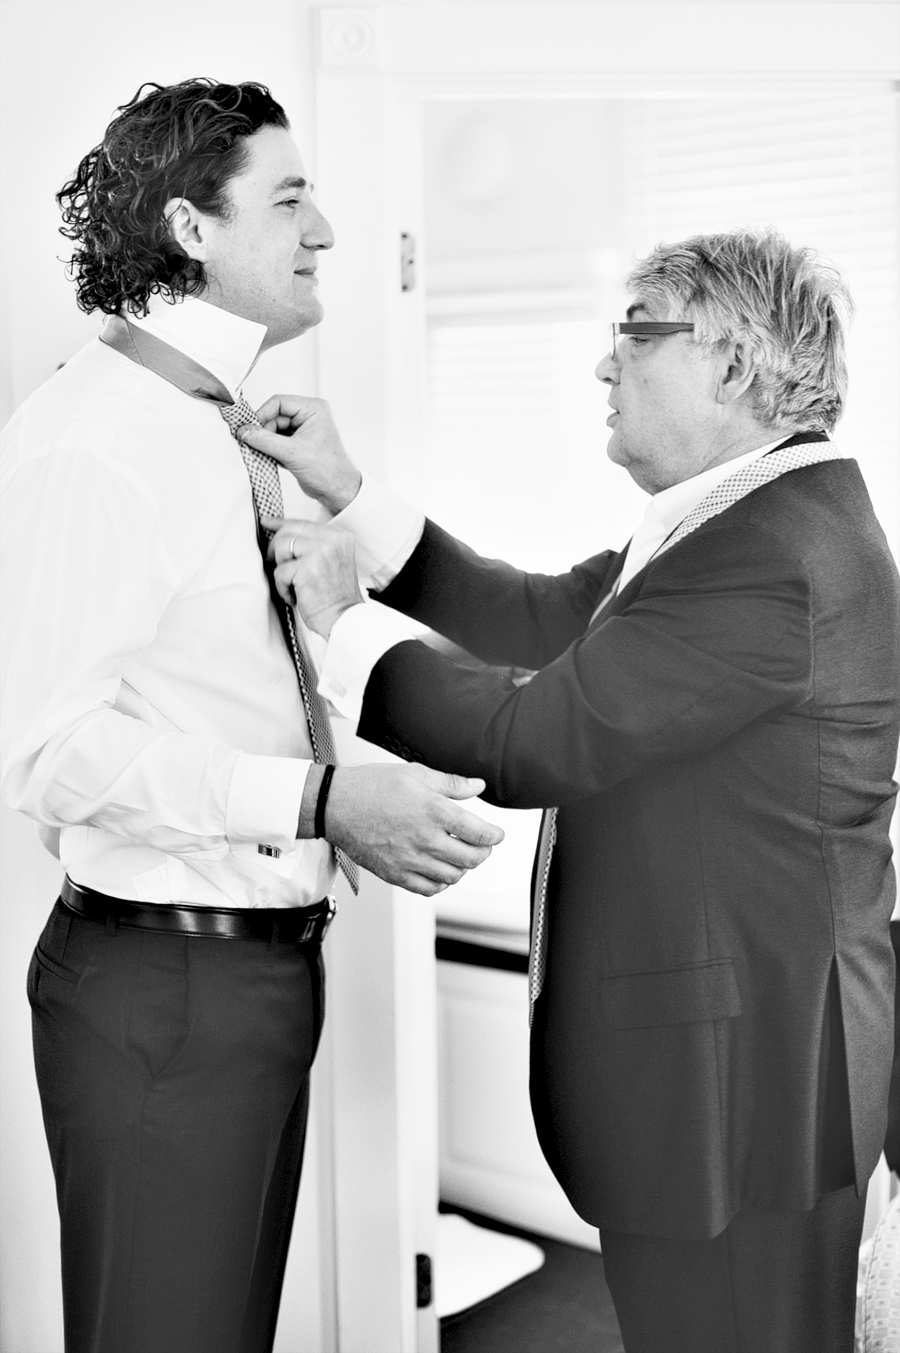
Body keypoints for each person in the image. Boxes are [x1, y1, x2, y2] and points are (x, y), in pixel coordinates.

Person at [241, 229, 900, 1353]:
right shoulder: (744, 519)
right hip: (740, 1076)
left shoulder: (769, 552)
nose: (603, 366)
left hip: (743, 1097)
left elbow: (534, 736)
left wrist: (342, 625)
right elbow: (546, 622)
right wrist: (351, 497)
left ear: (730, 363)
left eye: (630, 334)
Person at [0, 79, 503, 1353]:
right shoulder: (96, 442)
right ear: (188, 229)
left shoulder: (210, 426)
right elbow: (51, 754)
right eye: (289, 199)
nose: (325, 230)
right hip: (164, 986)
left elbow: (214, 678)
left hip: (255, 973)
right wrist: (327, 802)